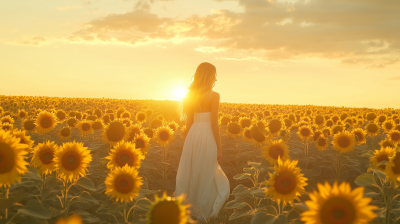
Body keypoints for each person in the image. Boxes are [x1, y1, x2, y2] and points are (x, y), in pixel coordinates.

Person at [175, 62, 230, 222]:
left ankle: (189, 205)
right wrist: (219, 148)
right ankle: (203, 207)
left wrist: (189, 142)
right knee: (208, 167)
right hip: (206, 134)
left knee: (193, 167)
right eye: (214, 74)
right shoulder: (214, 95)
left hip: (193, 134)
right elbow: (214, 124)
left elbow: (188, 124)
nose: (216, 78)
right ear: (210, 76)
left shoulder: (190, 95)